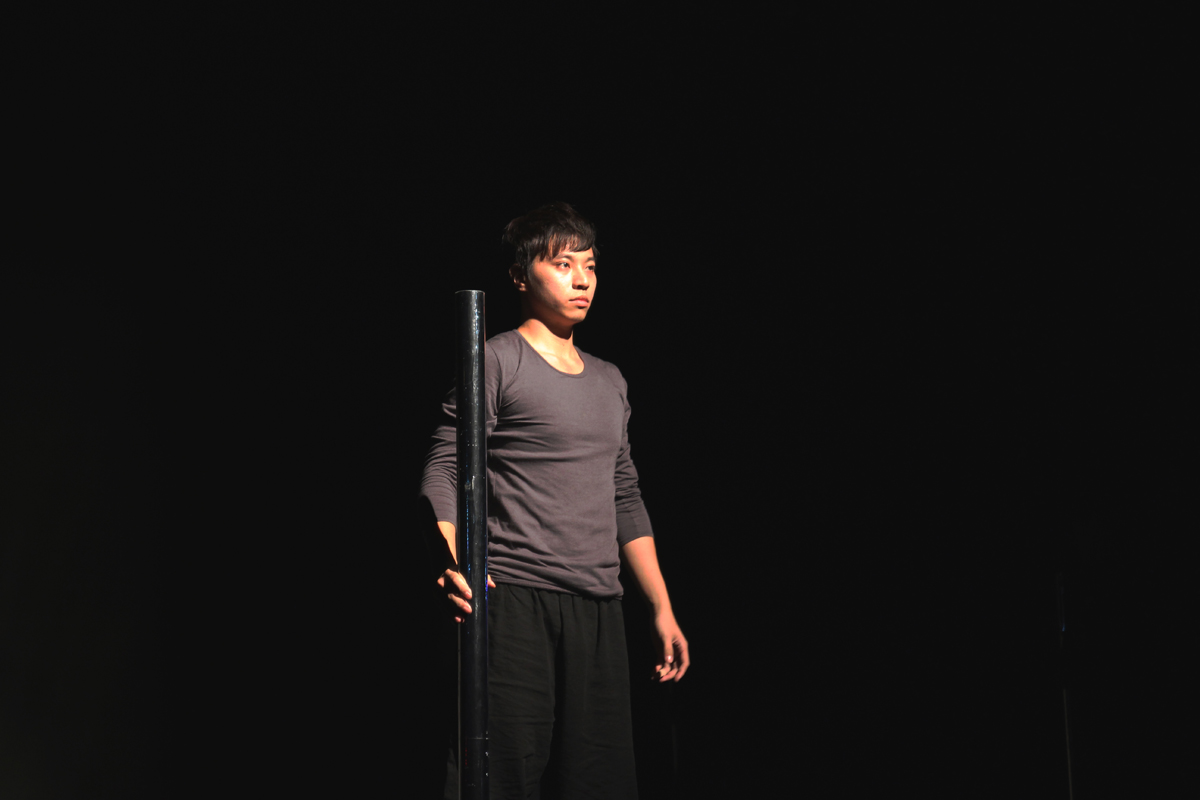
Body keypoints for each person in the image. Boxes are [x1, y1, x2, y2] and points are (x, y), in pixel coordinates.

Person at [420, 202, 688, 799]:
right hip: (514, 601)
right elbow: (445, 466)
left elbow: (624, 494)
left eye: (589, 266)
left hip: (598, 608)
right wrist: (448, 559)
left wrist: (660, 608)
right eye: (562, 264)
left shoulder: (610, 380)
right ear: (521, 276)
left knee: (599, 782)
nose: (581, 279)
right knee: (501, 776)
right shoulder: (496, 359)